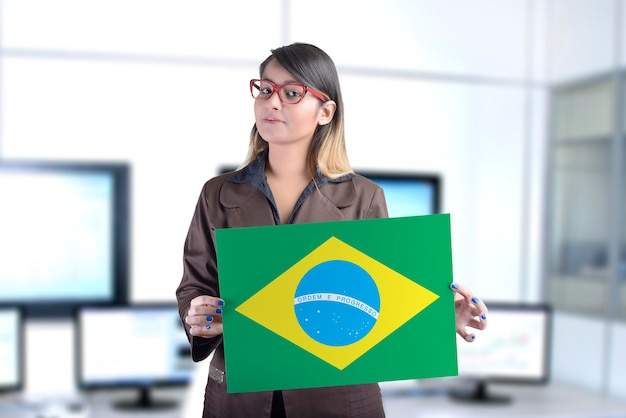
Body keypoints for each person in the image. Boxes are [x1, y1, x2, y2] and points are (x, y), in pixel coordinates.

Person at [176, 42, 488, 418]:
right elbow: (195, 286)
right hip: (240, 398)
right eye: (265, 89)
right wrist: (198, 316)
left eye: (292, 93)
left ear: (325, 111)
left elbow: (378, 300)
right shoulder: (219, 193)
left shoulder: (365, 197)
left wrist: (434, 321)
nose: (272, 103)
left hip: (336, 398)